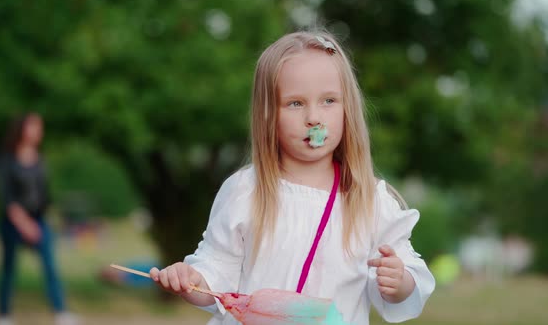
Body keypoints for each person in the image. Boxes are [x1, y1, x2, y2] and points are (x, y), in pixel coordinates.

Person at [149, 30, 435, 324]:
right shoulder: (247, 191)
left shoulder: (370, 202)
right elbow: (216, 274)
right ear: (267, 115)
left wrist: (399, 283)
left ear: (348, 108)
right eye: (296, 103)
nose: (314, 117)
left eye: (329, 101)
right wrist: (190, 280)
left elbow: (410, 277)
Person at [0, 113, 77, 325]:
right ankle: (4, 316)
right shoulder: (7, 159)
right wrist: (24, 224)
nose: (39, 131)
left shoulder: (40, 158)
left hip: (39, 221)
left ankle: (61, 312)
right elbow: (7, 197)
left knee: (51, 268)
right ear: (22, 129)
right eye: (35, 126)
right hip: (12, 223)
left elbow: (44, 195)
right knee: (8, 270)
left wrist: (47, 219)